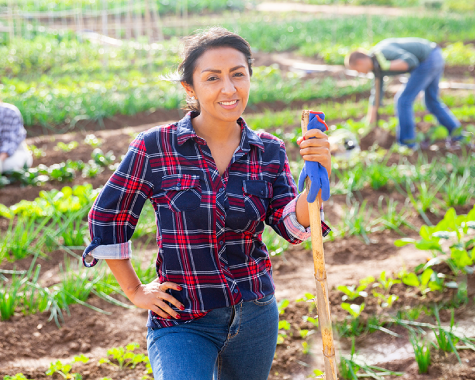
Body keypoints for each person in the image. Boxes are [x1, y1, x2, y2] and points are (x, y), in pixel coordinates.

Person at [81, 28, 332, 380]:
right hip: (184, 319)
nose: (228, 89)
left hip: (255, 314)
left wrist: (317, 180)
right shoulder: (156, 147)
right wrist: (135, 290)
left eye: (238, 75)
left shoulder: (267, 150)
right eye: (212, 78)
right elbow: (109, 216)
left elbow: (291, 224)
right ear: (190, 88)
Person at [345, 37, 462, 149]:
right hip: (434, 55)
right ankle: (459, 134)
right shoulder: (376, 67)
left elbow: (411, 61)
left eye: (357, 70)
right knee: (431, 102)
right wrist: (370, 124)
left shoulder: (382, 53)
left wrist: (387, 65)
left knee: (403, 101)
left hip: (429, 58)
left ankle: (407, 143)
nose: (360, 73)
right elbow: (376, 96)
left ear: (360, 62)